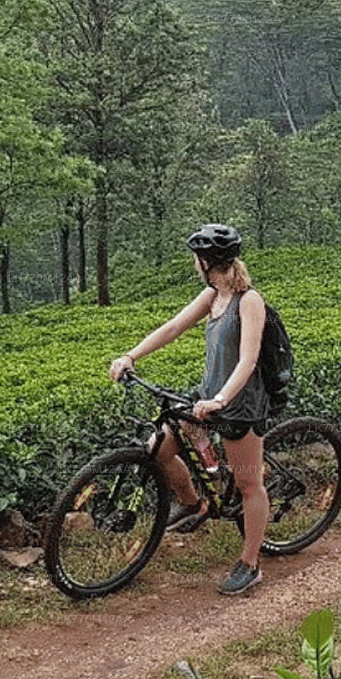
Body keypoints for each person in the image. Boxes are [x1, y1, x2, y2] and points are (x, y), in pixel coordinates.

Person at [108, 223, 269, 595]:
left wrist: (221, 400)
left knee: (249, 484)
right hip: (207, 396)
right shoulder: (213, 295)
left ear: (206, 261)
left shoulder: (249, 301)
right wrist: (131, 356)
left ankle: (250, 564)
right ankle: (193, 504)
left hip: (239, 404)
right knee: (158, 448)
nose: (195, 263)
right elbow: (173, 328)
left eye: (197, 258)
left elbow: (248, 361)